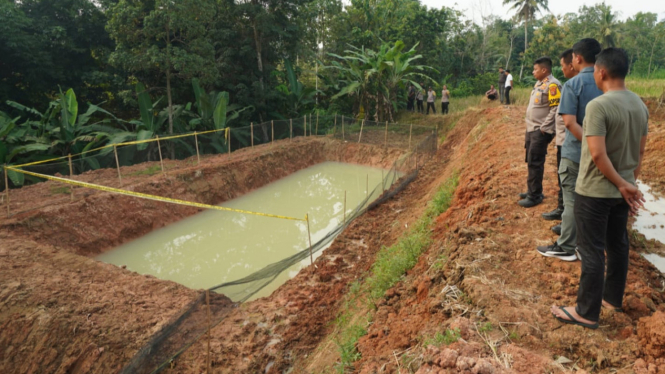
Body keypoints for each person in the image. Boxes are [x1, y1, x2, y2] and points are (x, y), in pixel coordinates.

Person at [551, 47, 649, 329]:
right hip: (622, 193)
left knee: (591, 249)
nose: (593, 74)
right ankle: (612, 298)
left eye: (594, 70)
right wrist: (629, 186)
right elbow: (640, 153)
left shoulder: (599, 106)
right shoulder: (639, 105)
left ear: (602, 72)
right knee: (617, 245)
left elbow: (597, 154)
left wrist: (619, 183)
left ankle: (586, 311)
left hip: (595, 191)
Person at [537, 38, 603, 261]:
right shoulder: (606, 81)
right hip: (604, 156)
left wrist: (589, 145)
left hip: (576, 153)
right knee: (596, 201)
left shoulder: (573, 85)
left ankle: (566, 247)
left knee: (573, 201)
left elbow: (569, 122)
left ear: (577, 58)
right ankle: (591, 246)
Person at [517, 56, 561, 208]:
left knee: (535, 161)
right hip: (532, 128)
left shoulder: (553, 85)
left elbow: (556, 108)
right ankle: (533, 190)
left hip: (540, 130)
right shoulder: (539, 84)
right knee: (531, 160)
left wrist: (545, 127)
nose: (533, 72)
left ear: (544, 70)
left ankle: (534, 196)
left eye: (535, 69)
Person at [544, 49, 578, 230]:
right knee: (562, 179)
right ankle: (562, 210)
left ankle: (568, 222)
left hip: (569, 142)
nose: (562, 69)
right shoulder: (567, 85)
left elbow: (570, 121)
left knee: (569, 182)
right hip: (563, 140)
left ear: (573, 64)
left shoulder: (571, 86)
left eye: (563, 66)